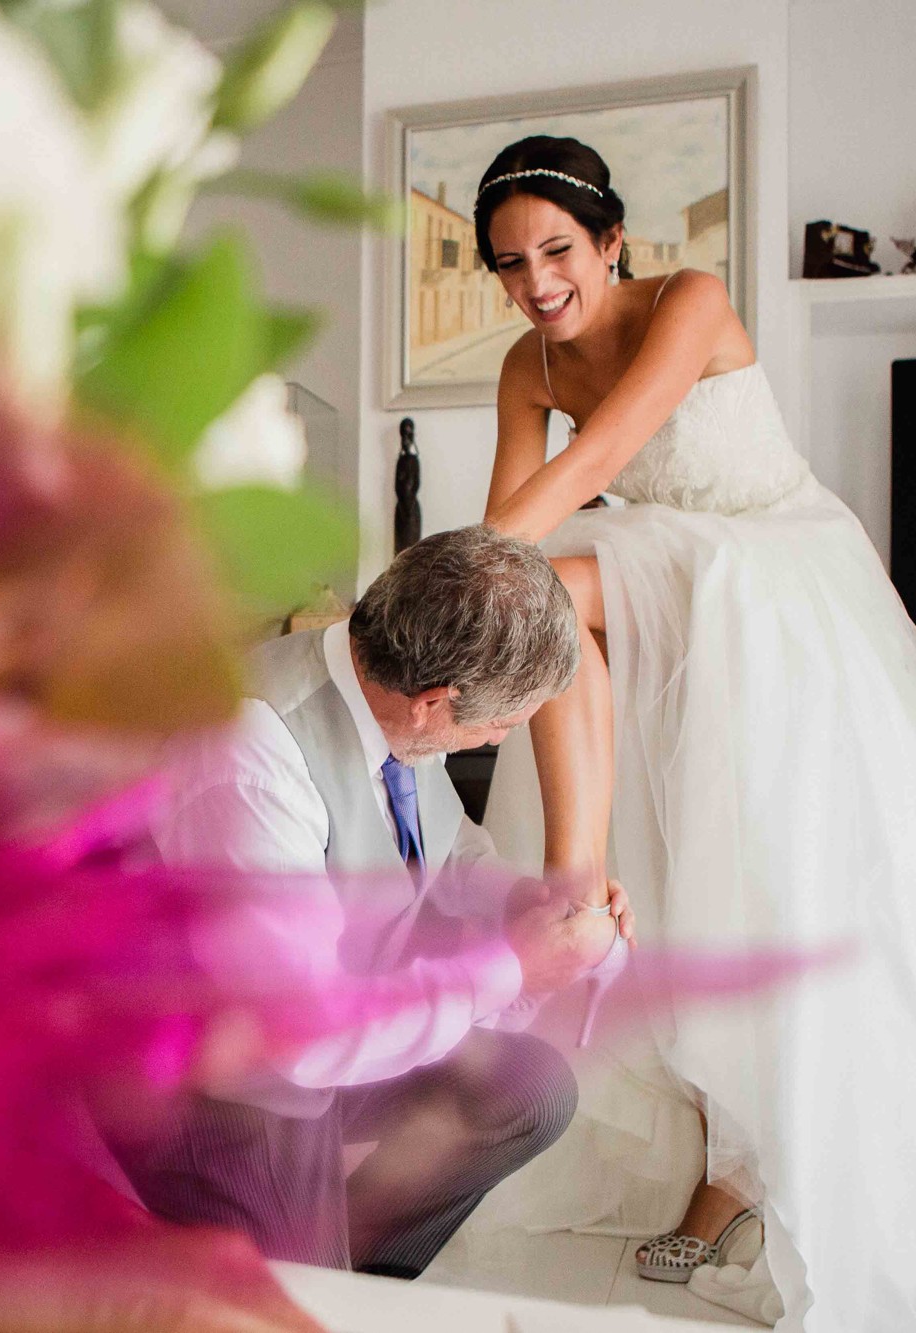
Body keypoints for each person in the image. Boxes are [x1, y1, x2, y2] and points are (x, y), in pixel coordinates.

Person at [465, 134, 916, 1330]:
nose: (536, 283)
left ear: (611, 240)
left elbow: (604, 458)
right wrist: (453, 583)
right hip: (670, 590)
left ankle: (750, 1124)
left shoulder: (692, 299)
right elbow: (505, 524)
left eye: (555, 250)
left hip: (774, 578)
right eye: (509, 265)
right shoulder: (525, 365)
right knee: (552, 630)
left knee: (788, 878)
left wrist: (459, 566)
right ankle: (593, 907)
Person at [118, 525, 631, 1279]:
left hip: (319, 1029)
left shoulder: (385, 693)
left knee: (529, 1092)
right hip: (222, 1085)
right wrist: (512, 971)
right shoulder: (252, 756)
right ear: (434, 702)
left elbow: (452, 854)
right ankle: (307, 1278)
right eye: (498, 726)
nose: (496, 739)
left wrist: (541, 903)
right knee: (300, 1307)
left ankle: (356, 1277)